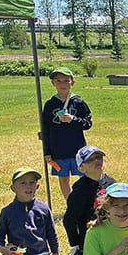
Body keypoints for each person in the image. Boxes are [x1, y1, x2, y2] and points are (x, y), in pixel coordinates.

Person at [0, 167, 59, 255]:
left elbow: (51, 232)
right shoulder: (7, 212)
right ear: (13, 188)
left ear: (37, 186)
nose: (28, 186)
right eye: (23, 183)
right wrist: (3, 249)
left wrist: (55, 250)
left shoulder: (43, 208)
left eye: (32, 182)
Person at [41, 67, 92, 200]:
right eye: (58, 81)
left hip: (77, 149)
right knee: (63, 179)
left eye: (66, 80)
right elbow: (45, 129)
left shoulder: (79, 102)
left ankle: (86, 202)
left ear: (72, 82)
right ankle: (71, 204)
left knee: (84, 177)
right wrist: (47, 152)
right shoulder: (50, 105)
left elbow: (88, 123)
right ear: (53, 83)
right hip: (58, 150)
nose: (62, 84)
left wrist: (73, 119)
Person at [62, 145, 116, 255]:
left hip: (112, 231)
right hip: (90, 235)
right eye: (90, 160)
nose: (97, 161)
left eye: (98, 157)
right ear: (81, 168)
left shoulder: (113, 184)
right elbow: (69, 220)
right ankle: (79, 254)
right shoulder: (79, 190)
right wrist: (76, 244)